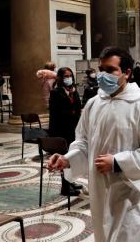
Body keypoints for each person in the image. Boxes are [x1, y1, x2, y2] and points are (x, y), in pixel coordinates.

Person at [47, 47, 140, 241]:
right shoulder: (94, 104)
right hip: (99, 191)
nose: (103, 75)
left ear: (127, 73)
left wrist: (118, 162)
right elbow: (84, 142)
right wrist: (66, 159)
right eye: (101, 69)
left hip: (127, 192)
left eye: (110, 70)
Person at [48, 67, 83, 197]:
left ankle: (70, 181)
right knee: (64, 158)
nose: (69, 78)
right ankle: (65, 187)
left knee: (72, 157)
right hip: (60, 131)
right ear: (61, 78)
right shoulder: (56, 93)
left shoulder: (73, 91)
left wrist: (73, 97)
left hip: (72, 130)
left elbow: (78, 107)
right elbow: (57, 112)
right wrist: (72, 112)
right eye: (66, 76)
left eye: (70, 76)